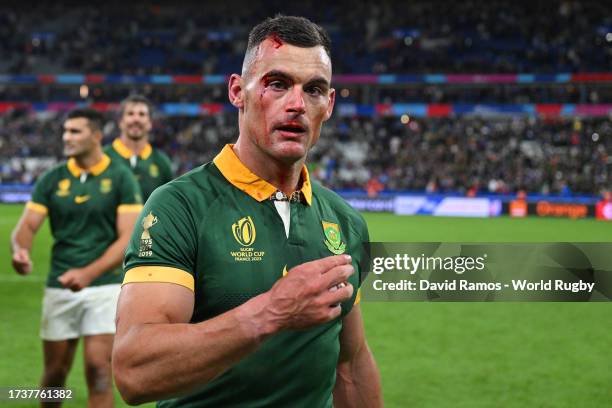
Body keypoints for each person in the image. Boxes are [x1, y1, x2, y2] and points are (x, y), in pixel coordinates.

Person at [112, 15, 382, 407]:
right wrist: (270, 312)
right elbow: (134, 374)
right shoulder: (179, 207)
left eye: (314, 90)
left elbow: (350, 363)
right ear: (238, 91)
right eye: (277, 84)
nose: (297, 105)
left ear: (330, 104)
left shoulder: (344, 222)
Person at [11, 108, 143, 407]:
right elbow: (27, 226)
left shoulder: (120, 178)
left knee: (98, 370)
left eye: (74, 131)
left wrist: (88, 273)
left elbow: (127, 240)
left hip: (104, 286)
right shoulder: (52, 179)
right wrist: (20, 250)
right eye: (65, 131)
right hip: (60, 285)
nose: (66, 137)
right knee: (55, 374)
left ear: (96, 136)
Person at [104, 94, 174, 202]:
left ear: (150, 123)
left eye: (142, 114)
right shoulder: (103, 157)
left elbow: (169, 204)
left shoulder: (162, 162)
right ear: (120, 122)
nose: (136, 119)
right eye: (130, 114)